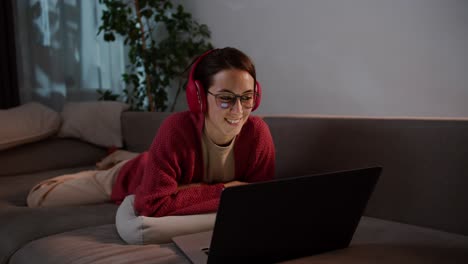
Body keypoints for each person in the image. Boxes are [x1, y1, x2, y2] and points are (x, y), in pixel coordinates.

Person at [27, 47, 276, 219]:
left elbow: (259, 199)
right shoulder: (176, 129)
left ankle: (125, 155)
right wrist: (227, 190)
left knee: (153, 163)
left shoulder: (257, 134)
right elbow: (152, 204)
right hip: (135, 175)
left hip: (163, 169)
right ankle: (119, 163)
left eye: (247, 97)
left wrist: (193, 191)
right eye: (225, 98)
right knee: (39, 198)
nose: (239, 109)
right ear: (199, 97)